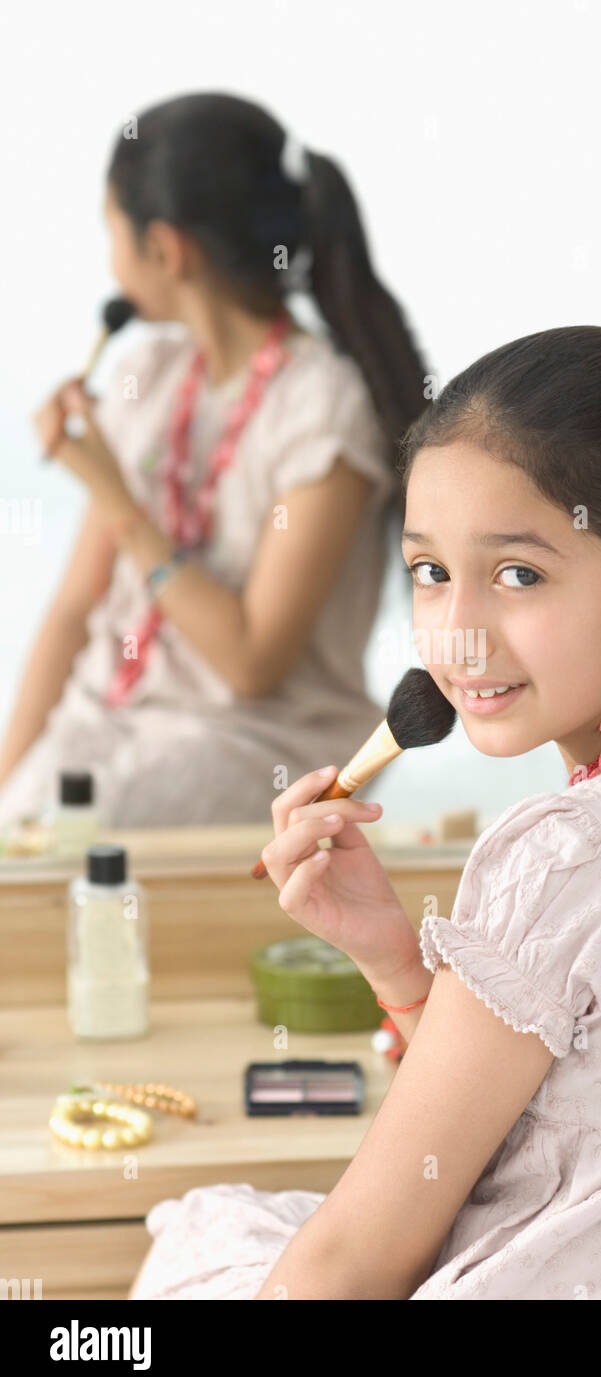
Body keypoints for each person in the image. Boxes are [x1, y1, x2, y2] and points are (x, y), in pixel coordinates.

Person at [127, 324, 601, 1299]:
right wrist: (396, 960)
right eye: (430, 573)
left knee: (203, 1236)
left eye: (517, 574)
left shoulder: (568, 855)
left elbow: (351, 1263)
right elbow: (593, 1119)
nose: (457, 637)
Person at [0, 92, 427, 829]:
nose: (110, 258)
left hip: (250, 743)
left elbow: (250, 661)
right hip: (103, 723)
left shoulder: (321, 406)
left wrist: (117, 496)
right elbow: (72, 613)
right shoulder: (150, 376)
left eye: (112, 232)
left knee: (75, 840)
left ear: (165, 249)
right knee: (30, 820)